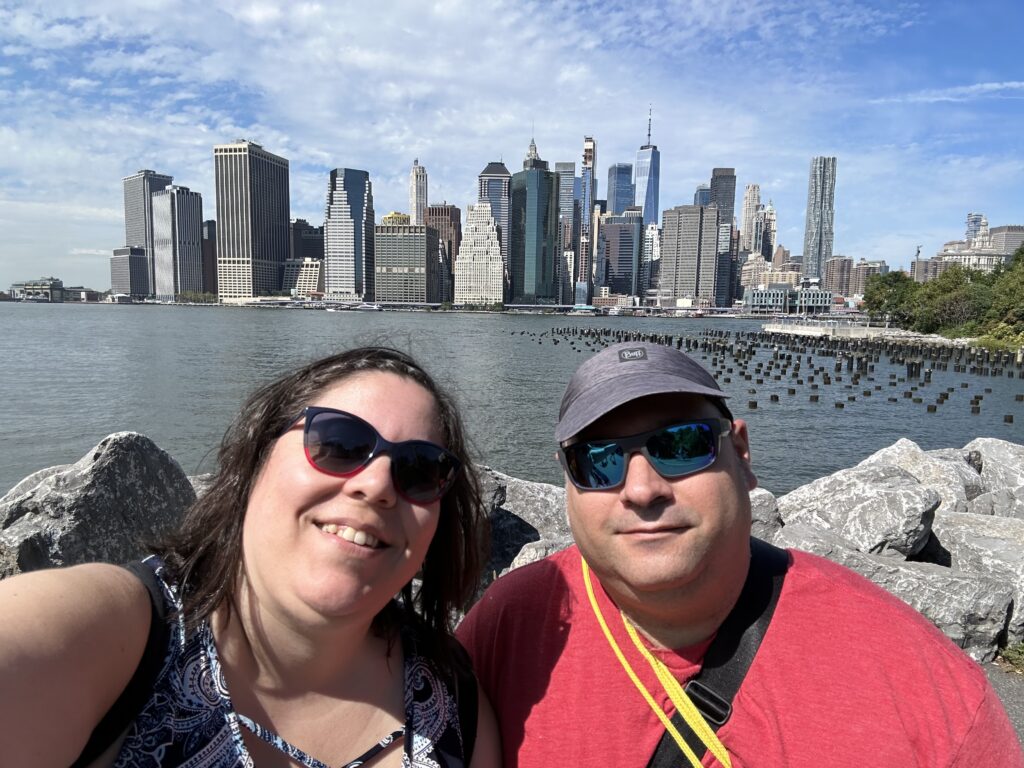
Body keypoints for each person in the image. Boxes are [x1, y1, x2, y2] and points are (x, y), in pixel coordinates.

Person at [457, 341, 1022, 767]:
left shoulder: (922, 686)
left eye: (681, 445)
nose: (641, 489)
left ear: (741, 453)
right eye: (598, 460)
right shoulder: (510, 625)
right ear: (567, 482)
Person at [0, 347, 500, 768]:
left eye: (419, 469)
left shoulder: (457, 708)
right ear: (255, 459)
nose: (376, 485)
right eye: (339, 443)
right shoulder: (111, 636)